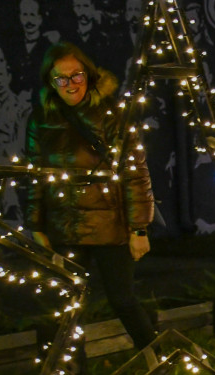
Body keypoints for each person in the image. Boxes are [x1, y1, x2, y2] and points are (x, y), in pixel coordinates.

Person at [25, 42, 157, 351]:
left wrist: (139, 229)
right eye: (61, 78)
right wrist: (36, 225)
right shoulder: (40, 119)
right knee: (68, 306)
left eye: (77, 75)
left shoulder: (112, 115)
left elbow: (135, 172)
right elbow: (35, 175)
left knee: (123, 299)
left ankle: (156, 361)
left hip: (109, 223)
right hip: (64, 224)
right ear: (50, 81)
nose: (70, 84)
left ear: (90, 75)